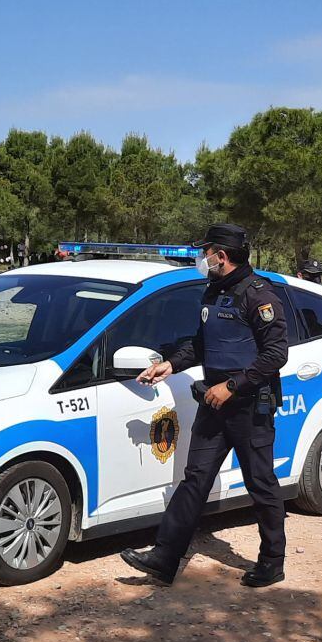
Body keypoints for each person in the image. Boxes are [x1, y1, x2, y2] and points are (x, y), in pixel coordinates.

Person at [121, 223, 289, 588]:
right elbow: (202, 343)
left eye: (206, 252)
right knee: (195, 479)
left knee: (260, 482)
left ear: (222, 256)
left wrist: (232, 386)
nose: (203, 258)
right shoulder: (215, 291)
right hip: (215, 403)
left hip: (249, 405)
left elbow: (276, 355)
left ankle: (272, 561)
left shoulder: (259, 296)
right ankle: (164, 559)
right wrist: (170, 364)